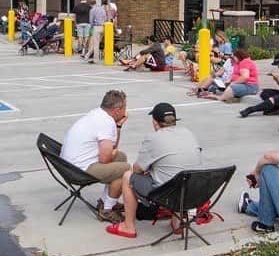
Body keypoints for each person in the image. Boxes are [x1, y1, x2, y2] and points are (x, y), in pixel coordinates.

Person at [105, 102, 202, 239]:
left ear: (155, 123)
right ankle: (177, 223)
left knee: (128, 176)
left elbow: (137, 169)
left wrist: (149, 170)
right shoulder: (188, 133)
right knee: (179, 174)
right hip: (193, 192)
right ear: (174, 120)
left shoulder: (153, 138)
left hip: (168, 195)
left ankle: (128, 227)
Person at [60, 89, 131, 222]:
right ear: (117, 110)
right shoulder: (106, 122)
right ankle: (107, 210)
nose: (125, 111)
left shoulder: (97, 114)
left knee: (120, 157)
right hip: (79, 171)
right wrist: (113, 152)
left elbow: (113, 147)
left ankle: (106, 201)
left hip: (68, 165)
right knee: (126, 170)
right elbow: (105, 159)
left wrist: (119, 126)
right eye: (125, 107)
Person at [82, 0, 107, 64]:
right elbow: (105, 18)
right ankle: (87, 56)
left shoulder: (92, 10)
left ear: (91, 5)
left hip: (96, 27)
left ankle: (96, 59)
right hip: (103, 27)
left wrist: (92, 27)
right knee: (96, 42)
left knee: (96, 44)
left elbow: (91, 20)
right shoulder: (102, 9)